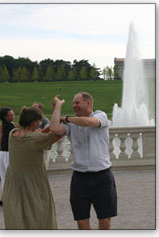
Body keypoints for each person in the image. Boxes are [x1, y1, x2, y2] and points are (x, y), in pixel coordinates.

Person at [50, 92, 117, 230]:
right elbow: (54, 128)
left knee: (105, 218)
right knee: (81, 220)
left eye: (77, 103)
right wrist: (58, 107)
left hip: (102, 177)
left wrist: (68, 118)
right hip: (79, 178)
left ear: (88, 103)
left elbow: (88, 122)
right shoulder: (72, 123)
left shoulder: (100, 115)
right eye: (73, 103)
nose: (74, 106)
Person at [3, 106, 57, 229]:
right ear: (33, 123)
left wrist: (40, 131)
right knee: (39, 219)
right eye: (39, 122)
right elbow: (54, 132)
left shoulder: (12, 134)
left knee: (18, 220)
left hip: (14, 185)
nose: (40, 124)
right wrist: (58, 106)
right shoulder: (35, 138)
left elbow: (34, 136)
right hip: (34, 185)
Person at [0, 107, 15, 206]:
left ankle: (4, 198)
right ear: (5, 117)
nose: (13, 116)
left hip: (3, 153)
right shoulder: (10, 127)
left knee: (5, 177)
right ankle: (8, 199)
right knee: (11, 177)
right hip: (8, 154)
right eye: (11, 115)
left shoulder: (5, 125)